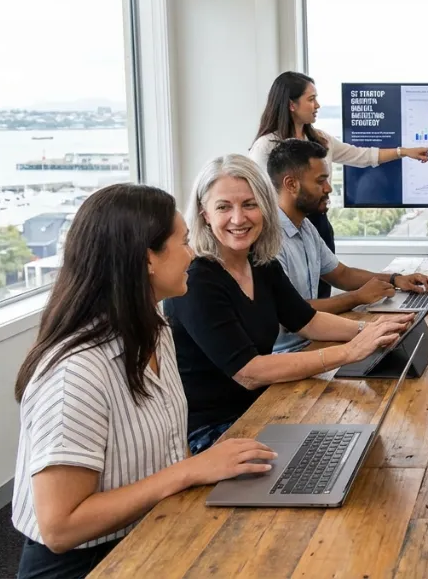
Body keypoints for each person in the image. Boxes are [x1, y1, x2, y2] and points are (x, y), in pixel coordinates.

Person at [12, 184, 279, 579]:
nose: (193, 253)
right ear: (147, 259)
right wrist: (192, 470)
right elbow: (61, 527)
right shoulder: (76, 372)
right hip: (85, 564)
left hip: (152, 528)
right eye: (184, 242)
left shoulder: (156, 331)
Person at [164, 154, 414, 454]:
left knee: (371, 438)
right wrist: (350, 351)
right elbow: (249, 372)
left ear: (265, 208)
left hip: (263, 407)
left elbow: (307, 321)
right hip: (215, 433)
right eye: (223, 207)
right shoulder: (198, 281)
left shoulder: (260, 263)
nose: (238, 218)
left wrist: (372, 330)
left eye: (249, 204)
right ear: (205, 213)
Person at [250, 71, 428, 299]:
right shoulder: (265, 148)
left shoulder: (320, 140)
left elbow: (361, 155)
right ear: (291, 104)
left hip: (316, 224)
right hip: (283, 228)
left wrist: (403, 152)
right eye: (311, 99)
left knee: (321, 294)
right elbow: (257, 196)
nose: (317, 105)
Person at [266, 138, 428, 352]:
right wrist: (356, 298)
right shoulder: (269, 241)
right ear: (291, 184)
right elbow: (292, 312)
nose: (328, 188)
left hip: (315, 341)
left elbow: (341, 274)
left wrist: (395, 279)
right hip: (289, 353)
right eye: (320, 181)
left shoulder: (306, 227)